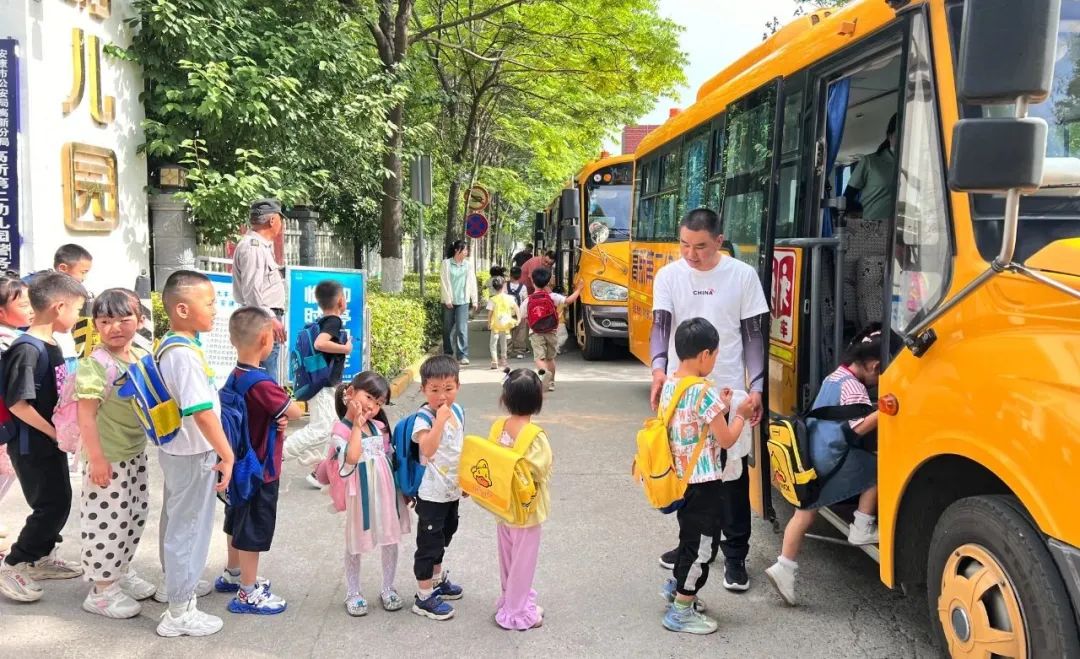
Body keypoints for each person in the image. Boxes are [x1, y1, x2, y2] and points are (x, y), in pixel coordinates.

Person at [649, 208, 769, 592]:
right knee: (690, 476)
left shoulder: (742, 276)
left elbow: (753, 335)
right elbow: (660, 325)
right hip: (684, 394)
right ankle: (696, 545)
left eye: (700, 246)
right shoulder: (669, 275)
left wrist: (758, 386)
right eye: (684, 244)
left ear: (719, 241)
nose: (690, 254)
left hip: (729, 390)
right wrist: (657, 370)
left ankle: (735, 556)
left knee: (731, 477)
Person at [765, 329, 883, 607]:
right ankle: (862, 527)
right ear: (875, 365)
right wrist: (884, 411)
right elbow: (857, 429)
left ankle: (784, 568)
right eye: (880, 374)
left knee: (803, 513)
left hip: (810, 454)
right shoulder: (855, 388)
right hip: (830, 458)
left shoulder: (837, 375)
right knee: (876, 471)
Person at [657, 318, 756, 635]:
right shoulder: (705, 393)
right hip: (705, 483)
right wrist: (739, 414)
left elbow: (691, 424)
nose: (715, 360)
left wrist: (721, 405)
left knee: (689, 537)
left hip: (681, 480)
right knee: (703, 548)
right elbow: (726, 439)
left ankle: (677, 588)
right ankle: (681, 610)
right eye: (714, 354)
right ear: (703, 355)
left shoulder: (672, 385)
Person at [154, 270, 235, 637]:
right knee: (189, 528)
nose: (216, 310)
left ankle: (175, 585)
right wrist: (227, 453)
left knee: (176, 521)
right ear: (183, 308)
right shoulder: (183, 355)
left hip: (178, 449)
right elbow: (201, 412)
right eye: (210, 303)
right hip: (193, 451)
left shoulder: (172, 344)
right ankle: (179, 611)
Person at [0, 272, 88, 602]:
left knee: (59, 499)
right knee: (49, 505)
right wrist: (54, 432)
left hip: (49, 442)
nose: (78, 317)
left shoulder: (51, 343)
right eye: (77, 310)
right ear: (58, 306)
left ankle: (41, 556)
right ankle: (16, 562)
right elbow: (17, 403)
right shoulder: (27, 349)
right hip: (31, 444)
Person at [75, 289, 159, 618]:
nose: (115, 327)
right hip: (107, 458)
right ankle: (101, 591)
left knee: (133, 518)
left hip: (133, 453)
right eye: (105, 321)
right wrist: (96, 459)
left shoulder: (137, 354)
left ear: (139, 320)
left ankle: (120, 572)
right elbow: (86, 416)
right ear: (95, 324)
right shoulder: (94, 365)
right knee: (106, 523)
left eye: (124, 319)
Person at [218, 306, 302, 615]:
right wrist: (282, 416)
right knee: (254, 530)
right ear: (267, 340)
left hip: (239, 464)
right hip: (261, 468)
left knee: (236, 520)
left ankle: (233, 572)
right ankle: (248, 593)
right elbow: (293, 412)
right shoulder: (262, 383)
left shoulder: (236, 375)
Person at [336, 372, 410, 617]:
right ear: (350, 393)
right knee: (355, 541)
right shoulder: (341, 430)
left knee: (390, 537)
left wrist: (402, 491)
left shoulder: (378, 427)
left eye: (379, 403)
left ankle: (388, 587)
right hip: (361, 497)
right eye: (369, 397)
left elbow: (388, 458)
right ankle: (353, 591)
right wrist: (357, 425)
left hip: (386, 492)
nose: (373, 406)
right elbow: (351, 460)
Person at [490, 368, 552, 631]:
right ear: (538, 400)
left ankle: (510, 599)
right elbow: (542, 468)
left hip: (502, 504)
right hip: (526, 509)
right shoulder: (534, 435)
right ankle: (516, 613)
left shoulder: (498, 427)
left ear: (505, 398)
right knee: (523, 560)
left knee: (507, 556)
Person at [410, 354, 467, 621]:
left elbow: (459, 450)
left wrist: (466, 481)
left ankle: (436, 580)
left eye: (448, 388)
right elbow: (429, 448)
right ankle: (423, 597)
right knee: (429, 544)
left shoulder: (458, 411)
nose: (441, 396)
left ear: (458, 386)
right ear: (423, 389)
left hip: (452, 490)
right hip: (431, 493)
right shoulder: (424, 417)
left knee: (445, 536)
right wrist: (439, 420)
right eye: (434, 390)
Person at [281, 280, 352, 475]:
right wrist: (345, 348)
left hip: (320, 382)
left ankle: (319, 470)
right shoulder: (334, 321)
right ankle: (281, 452)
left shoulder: (320, 321)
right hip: (323, 384)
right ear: (340, 300)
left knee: (332, 425)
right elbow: (321, 344)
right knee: (321, 428)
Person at [232, 198, 287, 379]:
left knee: (265, 375)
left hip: (262, 318)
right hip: (262, 319)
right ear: (272, 220)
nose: (281, 224)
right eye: (280, 219)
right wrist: (270, 318)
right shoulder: (253, 247)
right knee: (265, 378)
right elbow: (252, 291)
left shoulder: (259, 246)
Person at [0, 276, 32, 543]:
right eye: (23, 305)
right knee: (4, 470)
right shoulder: (9, 342)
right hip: (4, 422)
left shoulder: (15, 338)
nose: (31, 309)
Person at [520, 267, 583, 392]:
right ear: (547, 282)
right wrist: (579, 289)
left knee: (539, 358)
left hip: (536, 332)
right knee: (550, 359)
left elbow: (523, 317)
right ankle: (552, 382)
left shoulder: (528, 300)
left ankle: (544, 375)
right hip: (552, 331)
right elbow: (568, 300)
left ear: (533, 282)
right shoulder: (553, 296)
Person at [439, 240, 478, 366]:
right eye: (465, 250)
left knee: (462, 329)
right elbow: (444, 282)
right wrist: (448, 299)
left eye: (467, 250)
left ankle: (462, 355)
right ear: (457, 250)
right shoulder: (446, 263)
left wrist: (475, 300)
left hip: (463, 301)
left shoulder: (468, 265)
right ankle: (448, 353)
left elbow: (472, 282)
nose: (466, 252)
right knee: (447, 329)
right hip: (448, 301)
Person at [486, 277, 519, 370]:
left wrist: (488, 322)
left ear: (494, 287)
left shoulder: (493, 299)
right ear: (504, 286)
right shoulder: (510, 298)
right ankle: (504, 359)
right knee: (503, 343)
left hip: (495, 325)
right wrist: (518, 319)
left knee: (493, 344)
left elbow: (490, 313)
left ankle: (494, 361)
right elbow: (516, 308)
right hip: (505, 325)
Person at [506, 267, 529, 358]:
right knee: (520, 332)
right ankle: (519, 351)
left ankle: (507, 350)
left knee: (507, 332)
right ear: (520, 276)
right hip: (520, 312)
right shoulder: (523, 287)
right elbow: (525, 300)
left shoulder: (505, 286)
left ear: (510, 275)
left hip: (507, 314)